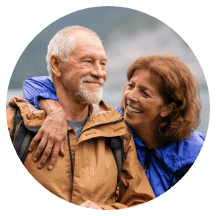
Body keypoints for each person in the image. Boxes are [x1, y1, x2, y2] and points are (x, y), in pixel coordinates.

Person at [7, 26, 155, 209]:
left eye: (103, 64)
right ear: (56, 65)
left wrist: (103, 211)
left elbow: (142, 203)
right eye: (88, 61)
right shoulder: (14, 124)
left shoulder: (117, 130)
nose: (99, 73)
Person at [22, 53, 205, 197]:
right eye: (131, 86)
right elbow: (33, 84)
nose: (130, 96)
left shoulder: (195, 154)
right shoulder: (110, 123)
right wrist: (55, 110)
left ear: (168, 108)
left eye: (145, 93)